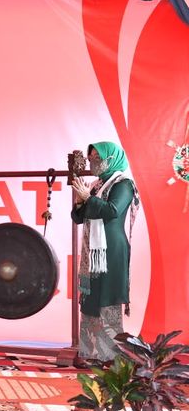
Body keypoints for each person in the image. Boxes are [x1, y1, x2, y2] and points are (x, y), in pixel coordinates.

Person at [71, 141, 139, 365]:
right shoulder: (96, 185)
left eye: (98, 158)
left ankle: (110, 355)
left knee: (108, 299)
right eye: (91, 158)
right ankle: (89, 353)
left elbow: (112, 211)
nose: (93, 162)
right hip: (93, 252)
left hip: (112, 251)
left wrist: (88, 198)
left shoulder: (123, 184)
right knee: (91, 299)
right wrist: (80, 202)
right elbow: (78, 218)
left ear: (112, 159)